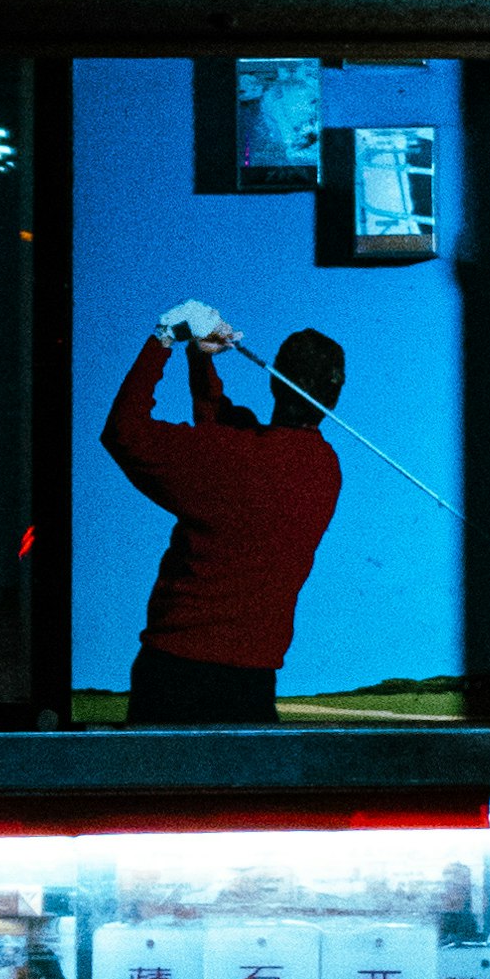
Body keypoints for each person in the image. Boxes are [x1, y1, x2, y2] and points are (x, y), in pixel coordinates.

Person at [99, 307, 345, 724]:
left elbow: (124, 431)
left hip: (173, 677)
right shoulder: (325, 468)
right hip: (252, 687)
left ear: (275, 380)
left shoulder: (230, 458)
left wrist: (164, 337)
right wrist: (200, 358)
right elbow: (230, 442)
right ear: (334, 393)